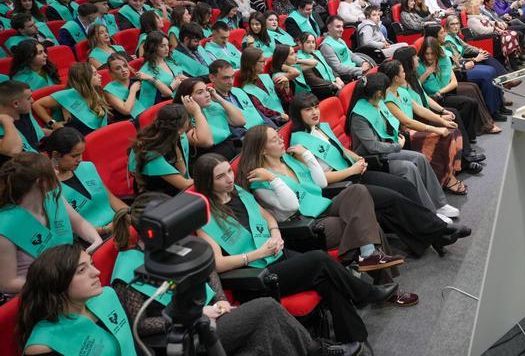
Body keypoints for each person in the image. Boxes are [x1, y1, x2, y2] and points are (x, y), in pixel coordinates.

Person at [193, 153, 399, 347]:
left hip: (277, 256)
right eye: (221, 176)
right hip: (256, 277)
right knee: (320, 260)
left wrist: (274, 234)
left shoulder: (238, 192)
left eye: (229, 171)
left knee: (328, 281)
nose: (229, 178)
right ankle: (365, 293)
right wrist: (258, 254)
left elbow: (268, 217)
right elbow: (218, 264)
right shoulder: (204, 217)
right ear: (207, 182)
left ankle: (355, 341)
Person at [110, 193, 345, 356]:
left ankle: (314, 349)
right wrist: (195, 315)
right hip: (189, 334)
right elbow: (140, 325)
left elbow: (208, 269)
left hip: (216, 316)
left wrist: (221, 299)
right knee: (266, 307)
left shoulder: (175, 245)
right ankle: (315, 349)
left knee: (263, 339)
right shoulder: (128, 269)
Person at [288, 92, 472, 256]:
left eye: (315, 107)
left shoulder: (320, 128)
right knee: (392, 200)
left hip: (354, 173)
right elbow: (319, 180)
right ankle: (440, 231)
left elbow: (341, 150)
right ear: (298, 114)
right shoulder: (299, 145)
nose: (314, 112)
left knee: (404, 186)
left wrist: (358, 159)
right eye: (308, 110)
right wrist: (351, 170)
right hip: (340, 187)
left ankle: (435, 237)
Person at [237, 125, 407, 271]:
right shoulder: (259, 182)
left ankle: (369, 256)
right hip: (307, 224)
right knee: (369, 226)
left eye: (279, 136)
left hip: (322, 206)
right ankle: (382, 278)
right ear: (262, 150)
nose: (281, 140)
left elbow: (321, 182)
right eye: (275, 140)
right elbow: (292, 206)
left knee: (357, 191)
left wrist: (308, 156)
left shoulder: (288, 159)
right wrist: (273, 179)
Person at [346, 73, 460, 221]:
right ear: (380, 93)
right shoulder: (359, 116)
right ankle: (429, 214)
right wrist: (396, 146)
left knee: (420, 158)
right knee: (409, 167)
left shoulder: (377, 103)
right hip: (372, 159)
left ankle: (439, 204)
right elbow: (372, 146)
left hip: (386, 149)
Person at [0, 153, 101, 297]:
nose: (57, 172)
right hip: (37, 295)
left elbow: (79, 223)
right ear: (40, 182)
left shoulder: (53, 197)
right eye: (51, 170)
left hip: (71, 282)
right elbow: (6, 283)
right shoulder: (4, 227)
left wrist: (96, 240)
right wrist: (59, 281)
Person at [17, 244, 137, 356]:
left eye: (92, 264)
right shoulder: (43, 346)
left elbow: (136, 344)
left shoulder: (108, 296)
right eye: (82, 270)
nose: (97, 272)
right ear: (58, 284)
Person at [380, 60, 471, 193]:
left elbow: (420, 109)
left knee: (453, 131)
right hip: (404, 134)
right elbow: (407, 122)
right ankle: (446, 179)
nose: (405, 74)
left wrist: (442, 120)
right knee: (443, 137)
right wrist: (436, 128)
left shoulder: (400, 91)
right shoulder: (388, 99)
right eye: (403, 72)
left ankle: (449, 174)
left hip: (414, 128)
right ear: (396, 78)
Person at [41, 127, 127, 235]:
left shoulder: (87, 167)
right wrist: (105, 230)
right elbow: (64, 230)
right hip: (91, 239)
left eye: (81, 154)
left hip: (118, 224)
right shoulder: (48, 187)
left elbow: (111, 198)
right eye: (74, 156)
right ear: (56, 155)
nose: (80, 159)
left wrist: (128, 214)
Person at [128, 103, 195, 195]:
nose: (190, 123)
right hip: (156, 198)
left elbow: (183, 172)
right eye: (188, 120)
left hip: (173, 189)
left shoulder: (177, 137)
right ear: (179, 129)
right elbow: (184, 184)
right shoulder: (150, 153)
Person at [173, 77, 246, 160]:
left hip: (233, 145)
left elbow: (241, 121)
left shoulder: (211, 107)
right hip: (212, 158)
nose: (207, 94)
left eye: (206, 90)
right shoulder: (183, 120)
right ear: (187, 98)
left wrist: (219, 99)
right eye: (200, 92)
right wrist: (196, 112)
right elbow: (207, 142)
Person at [33, 63, 109, 136]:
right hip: (78, 136)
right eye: (95, 74)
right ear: (85, 78)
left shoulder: (94, 91)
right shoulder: (67, 95)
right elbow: (37, 104)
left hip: (96, 132)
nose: (100, 76)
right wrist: (53, 124)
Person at [238, 47, 288, 126]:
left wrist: (286, 87)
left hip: (285, 114)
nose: (265, 64)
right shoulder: (246, 90)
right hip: (275, 121)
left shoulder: (266, 77)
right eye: (262, 61)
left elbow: (285, 99)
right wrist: (280, 115)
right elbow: (263, 111)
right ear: (252, 64)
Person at [0, 81, 46, 160]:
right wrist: (7, 122)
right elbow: (14, 151)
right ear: (16, 104)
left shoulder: (23, 113)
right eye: (28, 98)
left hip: (38, 157)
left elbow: (38, 133)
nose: (32, 100)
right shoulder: (5, 121)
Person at [137, 31, 185, 105]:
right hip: (167, 106)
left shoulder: (170, 61)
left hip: (182, 98)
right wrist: (173, 86)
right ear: (153, 48)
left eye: (167, 45)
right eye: (162, 46)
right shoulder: (146, 70)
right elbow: (153, 99)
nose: (167, 48)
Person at [320, 15, 374, 81]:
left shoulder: (340, 40)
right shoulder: (326, 46)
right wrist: (360, 69)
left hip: (355, 70)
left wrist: (363, 62)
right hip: (346, 76)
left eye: (342, 27)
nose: (342, 30)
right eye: (338, 27)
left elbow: (352, 56)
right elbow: (338, 68)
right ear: (329, 28)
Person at [296, 32, 344, 99]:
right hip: (321, 89)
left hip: (332, 84)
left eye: (313, 42)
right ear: (300, 44)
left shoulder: (317, 53)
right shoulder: (300, 59)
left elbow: (328, 67)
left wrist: (337, 78)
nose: (311, 45)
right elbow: (312, 79)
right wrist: (333, 84)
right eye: (308, 42)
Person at [102, 53, 148, 121]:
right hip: (129, 123)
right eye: (118, 68)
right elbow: (126, 110)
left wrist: (150, 78)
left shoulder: (137, 81)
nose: (123, 70)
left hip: (147, 116)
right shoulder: (108, 90)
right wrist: (133, 91)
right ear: (112, 73)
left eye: (125, 66)